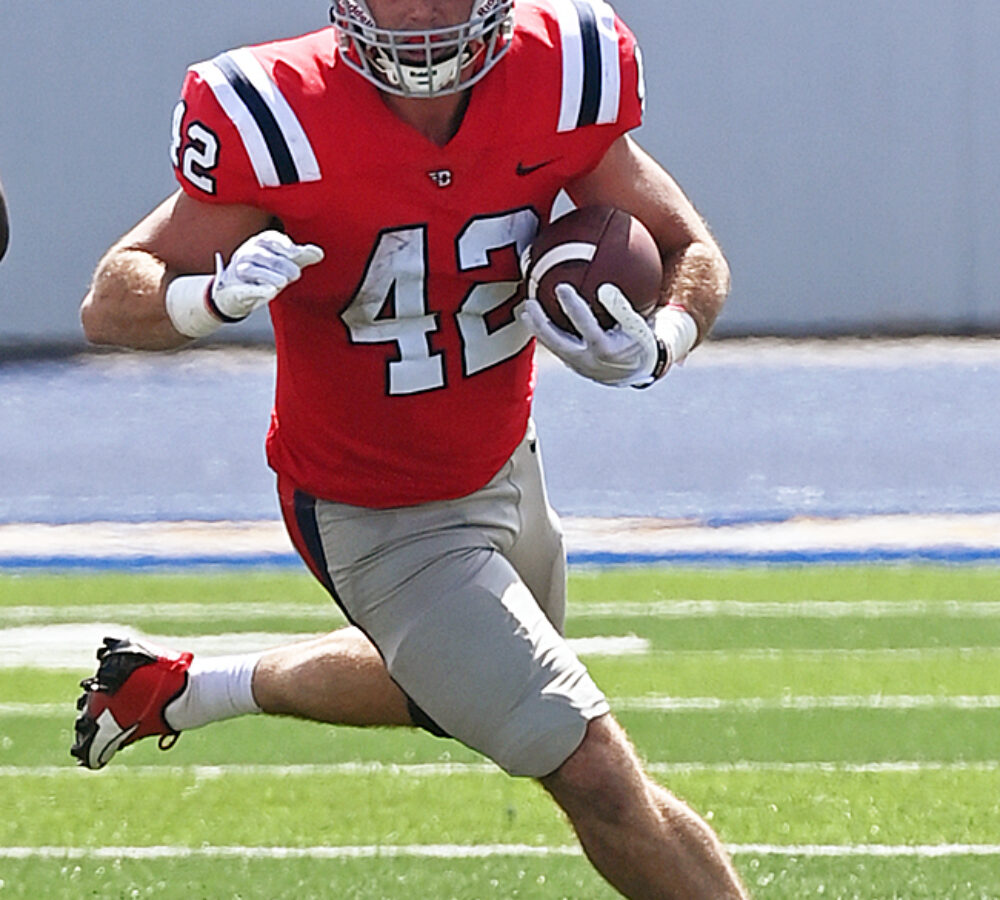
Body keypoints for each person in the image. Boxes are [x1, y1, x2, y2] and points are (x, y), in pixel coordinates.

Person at [73, 1, 744, 896]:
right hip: (373, 511)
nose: (423, 9)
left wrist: (663, 338)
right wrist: (210, 300)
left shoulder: (559, 70)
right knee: (591, 770)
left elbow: (688, 246)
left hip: (507, 462)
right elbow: (110, 302)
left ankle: (180, 688)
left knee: (443, 691)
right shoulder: (279, 110)